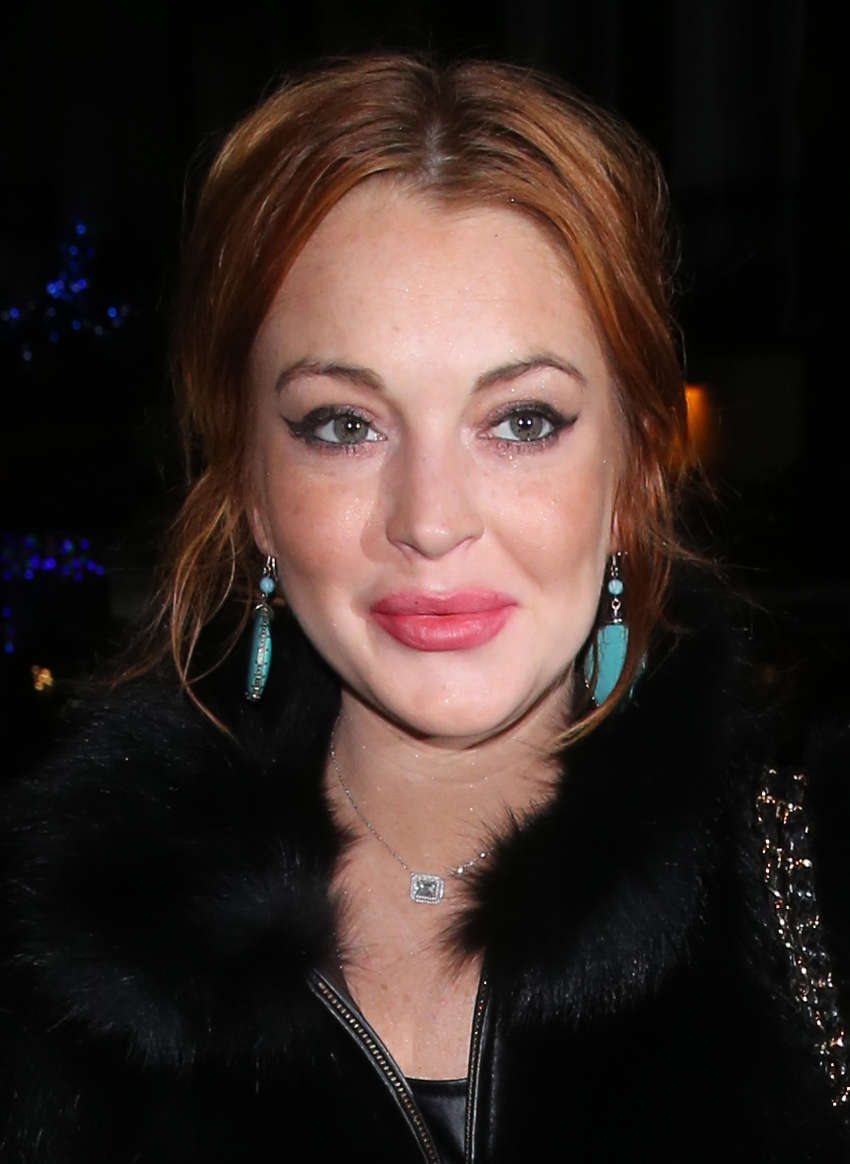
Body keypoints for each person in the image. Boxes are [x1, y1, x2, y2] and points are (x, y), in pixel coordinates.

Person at [1, 54, 847, 1163]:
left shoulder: (805, 885)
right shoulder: (50, 967)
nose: (431, 520)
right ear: (250, 488)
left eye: (523, 421)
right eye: (344, 425)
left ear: (634, 474)